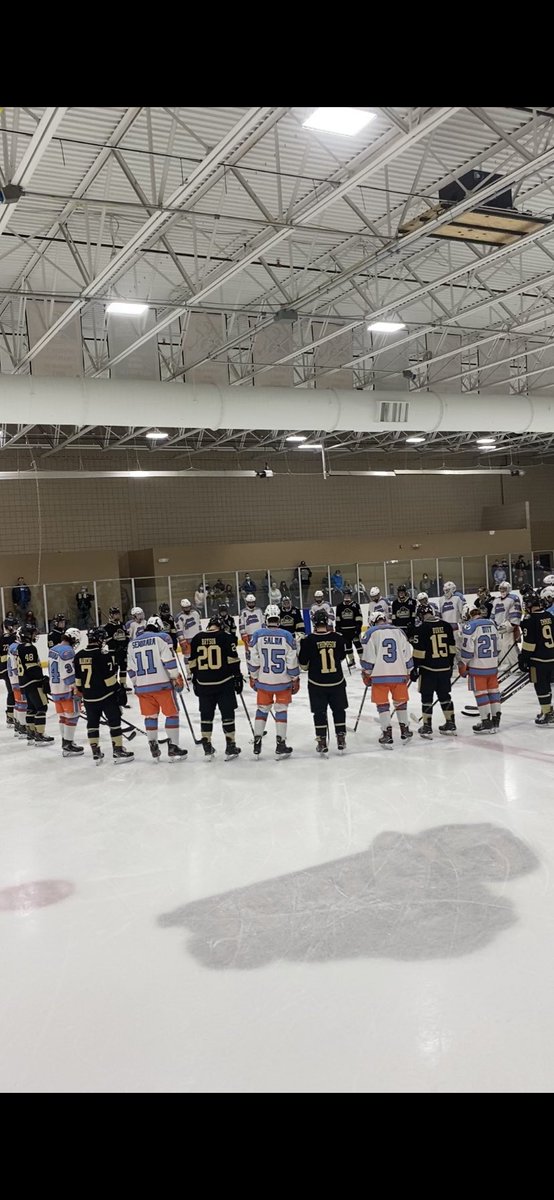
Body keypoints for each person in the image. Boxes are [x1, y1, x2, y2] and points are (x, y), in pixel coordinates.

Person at [127, 616, 187, 761]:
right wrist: (175, 677)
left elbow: (130, 669)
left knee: (150, 716)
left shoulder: (132, 644)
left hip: (142, 688)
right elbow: (169, 661)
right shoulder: (160, 639)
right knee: (171, 715)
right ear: (159, 627)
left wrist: (136, 684)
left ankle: (152, 744)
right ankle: (173, 746)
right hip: (162, 686)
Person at [74, 627, 133, 764]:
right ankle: (118, 750)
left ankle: (95, 752)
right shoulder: (103, 655)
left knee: (92, 724)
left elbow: (78, 682)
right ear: (100, 639)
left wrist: (86, 694)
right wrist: (119, 690)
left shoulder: (79, 655)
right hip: (106, 696)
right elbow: (109, 680)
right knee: (114, 721)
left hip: (88, 698)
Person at [248, 604, 299, 758]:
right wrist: (295, 678)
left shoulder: (257, 635)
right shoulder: (287, 635)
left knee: (262, 709)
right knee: (281, 710)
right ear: (279, 618)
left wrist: (253, 676)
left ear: (265, 617)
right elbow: (291, 660)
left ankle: (257, 743)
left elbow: (253, 659)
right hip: (282, 682)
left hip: (264, 681)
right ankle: (281, 744)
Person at [188, 614, 242, 759]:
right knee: (228, 714)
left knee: (206, 715)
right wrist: (238, 677)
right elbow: (233, 660)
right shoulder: (226, 636)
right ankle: (230, 746)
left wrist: (195, 679)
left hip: (204, 684)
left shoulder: (197, 638)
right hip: (224, 683)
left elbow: (192, 663)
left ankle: (207, 745)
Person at [360, 610, 414, 748]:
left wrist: (366, 672)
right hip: (399, 673)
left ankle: (386, 733)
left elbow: (369, 657)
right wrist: (408, 670)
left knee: (382, 704)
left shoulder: (371, 633)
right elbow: (407, 654)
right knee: (401, 702)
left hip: (380, 675)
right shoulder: (399, 631)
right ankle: (405, 729)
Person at [298, 609, 348, 753]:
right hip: (337, 681)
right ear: (327, 621)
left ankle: (321, 741)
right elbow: (341, 657)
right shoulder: (338, 638)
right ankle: (341, 738)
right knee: (339, 710)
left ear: (314, 622)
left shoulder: (308, 640)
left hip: (316, 683)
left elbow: (304, 665)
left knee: (319, 712)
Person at [411, 605, 457, 737]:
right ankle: (451, 722)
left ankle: (427, 726)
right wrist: (449, 664)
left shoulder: (422, 628)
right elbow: (452, 648)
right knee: (445, 696)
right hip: (444, 668)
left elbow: (419, 652)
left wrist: (415, 668)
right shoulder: (446, 626)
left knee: (427, 697)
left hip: (428, 670)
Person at [458, 605, 501, 734]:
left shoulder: (470, 626)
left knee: (481, 693)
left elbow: (467, 651)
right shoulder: (492, 623)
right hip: (492, 666)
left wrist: (462, 664)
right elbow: (498, 646)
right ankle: (495, 720)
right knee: (494, 692)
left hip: (478, 667)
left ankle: (486, 722)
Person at [15, 623, 54, 746]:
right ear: (27, 635)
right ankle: (39, 735)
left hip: (24, 683)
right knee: (41, 708)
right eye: (33, 633)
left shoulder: (19, 648)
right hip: (33, 682)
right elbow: (31, 667)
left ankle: (31, 733)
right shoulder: (29, 648)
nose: (35, 635)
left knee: (31, 708)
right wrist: (41, 678)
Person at [48, 627, 84, 757]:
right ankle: (68, 744)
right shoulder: (68, 651)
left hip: (55, 688)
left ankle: (66, 742)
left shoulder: (53, 649)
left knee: (63, 716)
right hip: (66, 688)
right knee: (73, 715)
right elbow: (67, 672)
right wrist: (75, 688)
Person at [519, 592, 554, 726]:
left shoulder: (529, 620)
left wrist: (523, 658)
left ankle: (548, 715)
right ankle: (547, 710)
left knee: (541, 686)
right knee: (547, 685)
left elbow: (529, 644)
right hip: (552, 657)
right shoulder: (549, 616)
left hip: (538, 660)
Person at [491, 581, 521, 672]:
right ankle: (506, 664)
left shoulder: (513, 598)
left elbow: (516, 612)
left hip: (508, 628)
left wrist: (511, 625)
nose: (502, 590)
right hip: (498, 628)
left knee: (509, 646)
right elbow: (493, 614)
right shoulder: (496, 600)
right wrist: (493, 624)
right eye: (501, 589)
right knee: (501, 647)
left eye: (504, 589)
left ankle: (516, 665)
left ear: (509, 589)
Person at [104, 606, 131, 691]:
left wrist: (125, 645)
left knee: (123, 667)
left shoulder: (122, 625)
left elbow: (127, 636)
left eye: (118, 614)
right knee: (114, 668)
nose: (117, 616)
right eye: (115, 614)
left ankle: (123, 684)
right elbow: (107, 640)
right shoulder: (108, 627)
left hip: (123, 651)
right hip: (113, 651)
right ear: (111, 615)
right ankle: (114, 685)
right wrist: (115, 644)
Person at [334, 588, 363, 668]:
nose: (347, 597)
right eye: (345, 595)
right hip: (344, 631)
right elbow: (338, 618)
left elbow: (359, 617)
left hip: (354, 630)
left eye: (348, 595)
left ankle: (362, 660)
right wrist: (337, 627)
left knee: (358, 645)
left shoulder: (355, 605)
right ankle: (352, 660)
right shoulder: (339, 606)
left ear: (350, 596)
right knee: (348, 646)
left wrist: (358, 628)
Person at [7, 629, 27, 739]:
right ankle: (22, 727)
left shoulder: (13, 645)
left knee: (18, 703)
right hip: (18, 679)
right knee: (22, 703)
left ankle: (18, 725)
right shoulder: (17, 647)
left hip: (13, 678)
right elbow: (17, 666)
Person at [175, 599, 202, 675]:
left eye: (188, 607)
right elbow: (179, 630)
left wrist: (201, 635)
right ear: (182, 608)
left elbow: (199, 625)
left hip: (197, 638)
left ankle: (198, 670)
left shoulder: (196, 613)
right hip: (186, 640)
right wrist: (182, 640)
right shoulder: (179, 617)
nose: (187, 609)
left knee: (198, 655)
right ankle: (188, 672)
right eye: (185, 608)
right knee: (187, 656)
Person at [0, 616, 17, 727]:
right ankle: (10, 716)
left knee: (13, 692)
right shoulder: (12, 638)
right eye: (14, 625)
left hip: (6, 669)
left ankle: (11, 715)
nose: (16, 628)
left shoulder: (3, 638)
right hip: (8, 670)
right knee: (13, 692)